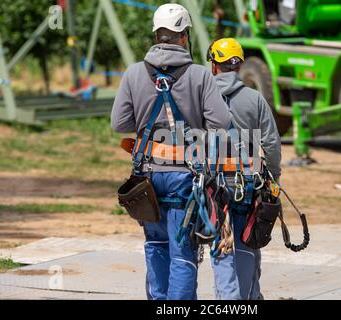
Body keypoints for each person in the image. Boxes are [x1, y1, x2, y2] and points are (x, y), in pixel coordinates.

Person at [111, 4, 231, 300]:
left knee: (155, 245)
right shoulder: (200, 76)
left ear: (156, 35)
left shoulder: (135, 73)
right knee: (182, 250)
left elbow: (120, 123)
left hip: (147, 177)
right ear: (184, 36)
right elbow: (221, 122)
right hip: (184, 176)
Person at [207, 38, 282, 300]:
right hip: (248, 184)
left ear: (214, 65)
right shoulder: (254, 99)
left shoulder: (200, 98)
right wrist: (274, 178)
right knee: (249, 240)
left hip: (214, 186)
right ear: (238, 66)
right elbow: (271, 142)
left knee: (223, 246)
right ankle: (249, 297)